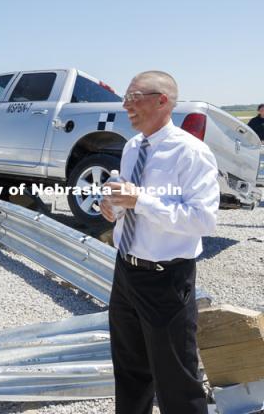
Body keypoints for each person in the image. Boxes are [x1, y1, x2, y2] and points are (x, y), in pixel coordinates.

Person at [100, 71, 220, 414]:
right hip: (126, 272)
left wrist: (140, 201)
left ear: (162, 100)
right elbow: (128, 199)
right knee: (129, 373)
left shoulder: (191, 153)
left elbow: (203, 219)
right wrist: (111, 207)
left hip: (166, 280)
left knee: (176, 382)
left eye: (133, 97)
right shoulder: (132, 146)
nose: (126, 106)